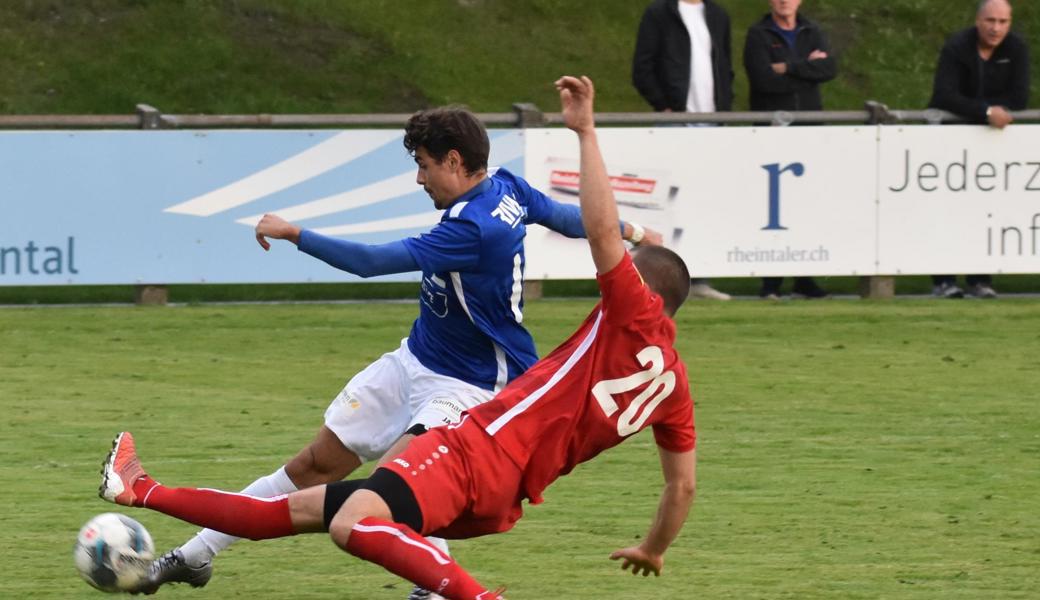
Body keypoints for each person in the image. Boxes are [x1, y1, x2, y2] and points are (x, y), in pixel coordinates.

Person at [99, 75, 697, 600]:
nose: (418, 177)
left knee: (393, 486)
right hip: (417, 357)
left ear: (456, 161)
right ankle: (197, 555)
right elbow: (568, 218)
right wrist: (629, 226)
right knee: (314, 464)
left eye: (425, 164)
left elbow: (369, 261)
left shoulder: (476, 229)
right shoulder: (508, 188)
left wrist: (295, 232)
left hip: (473, 383)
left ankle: (437, 586)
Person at [632, 0, 734, 301]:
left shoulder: (717, 15)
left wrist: (725, 107)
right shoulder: (659, 13)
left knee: (705, 201)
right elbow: (643, 67)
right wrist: (663, 105)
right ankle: (660, 281)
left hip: (713, 124)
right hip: (675, 123)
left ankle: (700, 277)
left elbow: (724, 65)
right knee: (669, 205)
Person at [927, 0, 1029, 299]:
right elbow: (945, 95)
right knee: (948, 209)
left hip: (989, 143)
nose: (995, 28)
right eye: (990, 21)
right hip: (950, 140)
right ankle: (943, 280)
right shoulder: (957, 47)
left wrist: (983, 111)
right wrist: (986, 111)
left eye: (1002, 21)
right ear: (978, 20)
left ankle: (979, 278)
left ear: (1009, 23)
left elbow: (1019, 97)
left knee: (985, 209)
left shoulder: (1016, 49)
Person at [744, 0, 836, 300]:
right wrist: (807, 69)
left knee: (805, 203)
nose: (785, 1)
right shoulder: (758, 34)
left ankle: (803, 278)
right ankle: (770, 281)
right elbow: (763, 80)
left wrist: (788, 68)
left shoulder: (812, 31)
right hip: (773, 131)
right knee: (770, 206)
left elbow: (829, 68)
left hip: (808, 130)